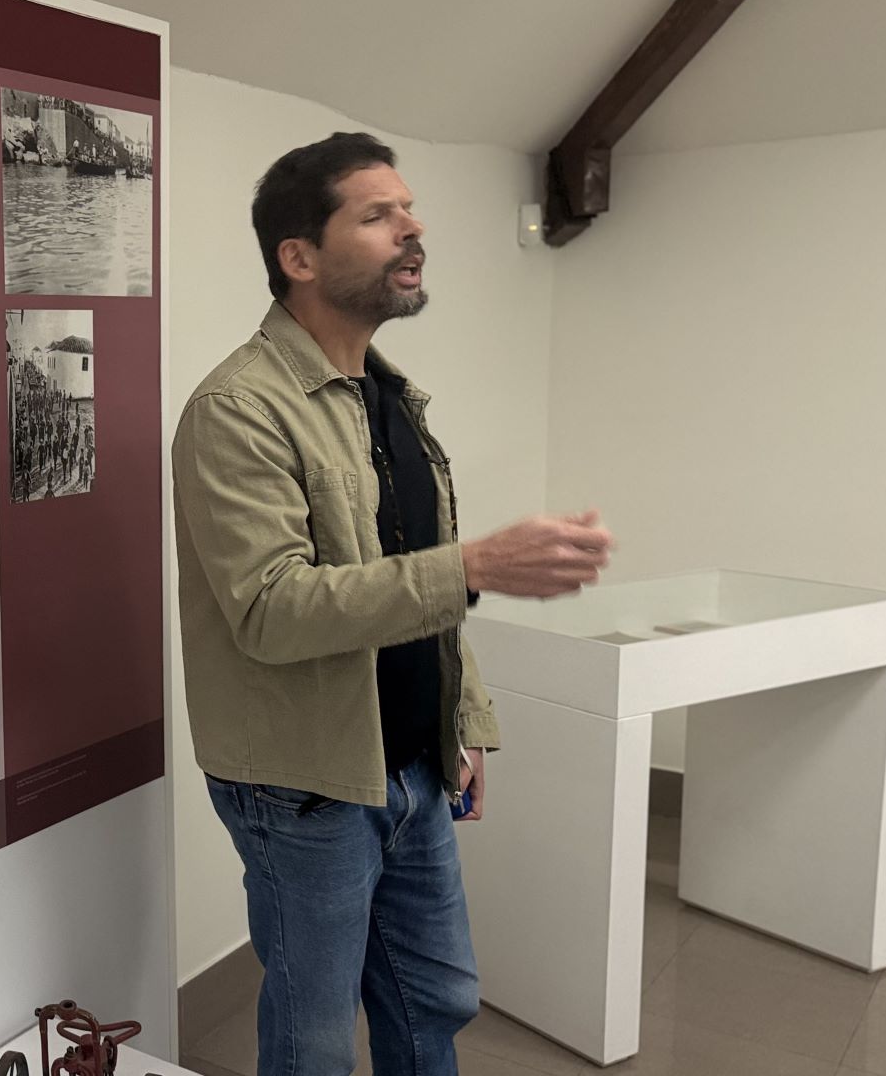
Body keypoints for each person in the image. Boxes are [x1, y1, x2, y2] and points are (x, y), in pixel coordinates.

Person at [171, 132, 616, 1076]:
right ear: (298, 258)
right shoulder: (238, 409)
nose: (413, 229)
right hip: (307, 781)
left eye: (409, 209)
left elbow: (418, 574)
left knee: (436, 997)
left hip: (410, 763)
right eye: (377, 215)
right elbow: (272, 608)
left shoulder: (390, 397)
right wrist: (478, 563)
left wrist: (462, 718)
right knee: (317, 1035)